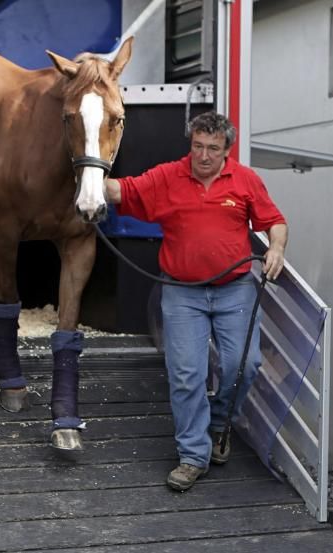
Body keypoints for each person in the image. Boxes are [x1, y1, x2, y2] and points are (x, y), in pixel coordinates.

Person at [104, 111, 288, 491]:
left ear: (227, 151)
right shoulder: (169, 175)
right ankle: (192, 455)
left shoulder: (245, 180)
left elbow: (274, 220)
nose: (203, 156)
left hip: (235, 288)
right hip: (182, 292)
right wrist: (87, 174)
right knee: (186, 374)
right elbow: (123, 190)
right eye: (197, 146)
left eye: (213, 149)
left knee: (244, 364)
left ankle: (219, 424)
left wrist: (278, 248)